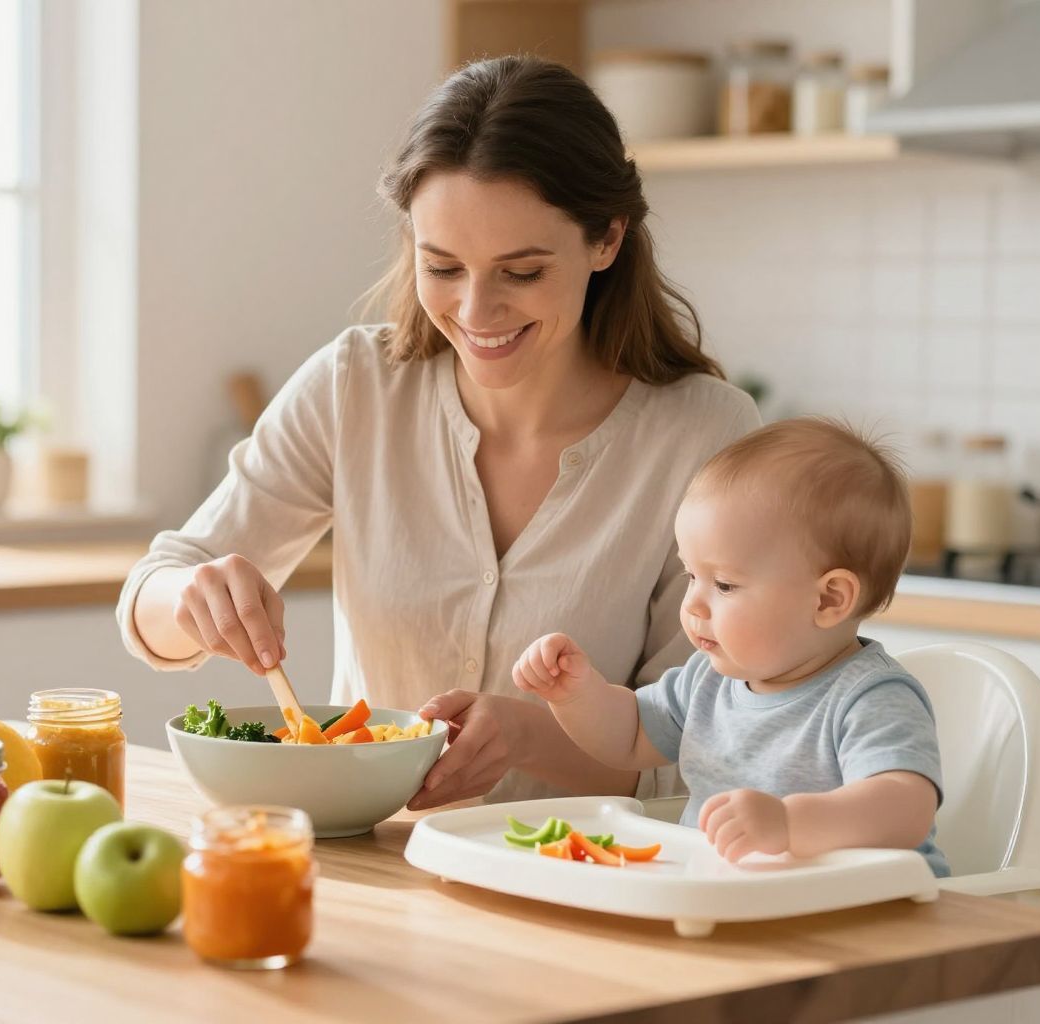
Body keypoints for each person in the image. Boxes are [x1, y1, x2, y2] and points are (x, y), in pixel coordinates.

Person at [118, 55, 759, 809]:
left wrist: (529, 736)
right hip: (374, 868)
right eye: (443, 266)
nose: (476, 312)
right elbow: (151, 604)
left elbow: (706, 747)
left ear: (607, 239)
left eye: (521, 272)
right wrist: (190, 599)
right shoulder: (355, 386)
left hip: (583, 882)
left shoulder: (704, 435)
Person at [513, 418, 949, 875]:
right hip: (741, 907)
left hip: (874, 918)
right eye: (691, 575)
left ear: (828, 599)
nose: (693, 604)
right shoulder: (708, 680)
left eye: (723, 584)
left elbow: (906, 808)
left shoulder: (870, 697)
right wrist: (577, 694)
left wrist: (788, 823)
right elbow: (629, 737)